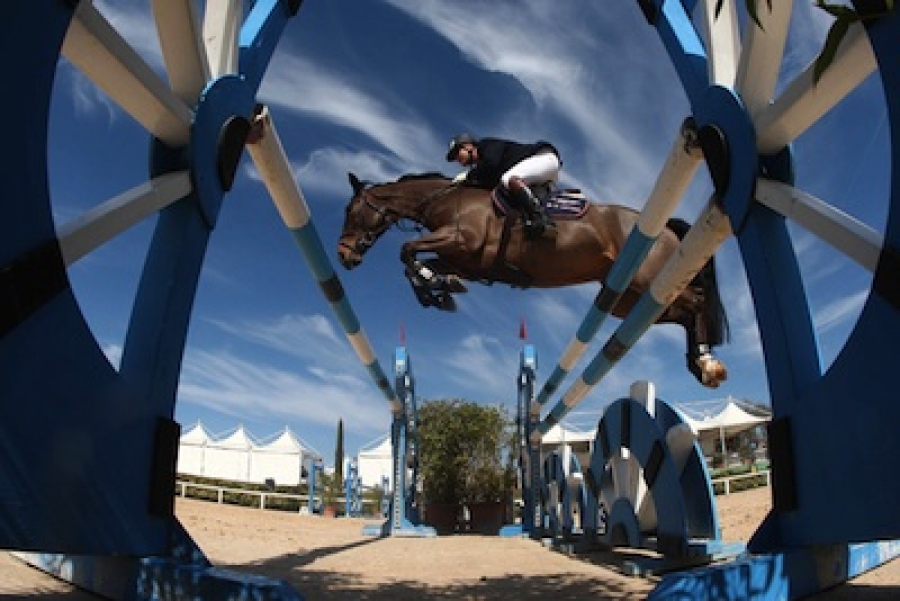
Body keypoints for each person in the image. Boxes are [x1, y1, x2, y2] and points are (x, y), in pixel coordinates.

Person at [445, 133, 559, 238]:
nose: (457, 159)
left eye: (457, 153)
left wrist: (468, 176)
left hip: (543, 158)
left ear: (468, 146)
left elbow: (491, 164)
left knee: (508, 179)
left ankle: (542, 220)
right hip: (539, 176)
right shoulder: (483, 166)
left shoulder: (486, 145)